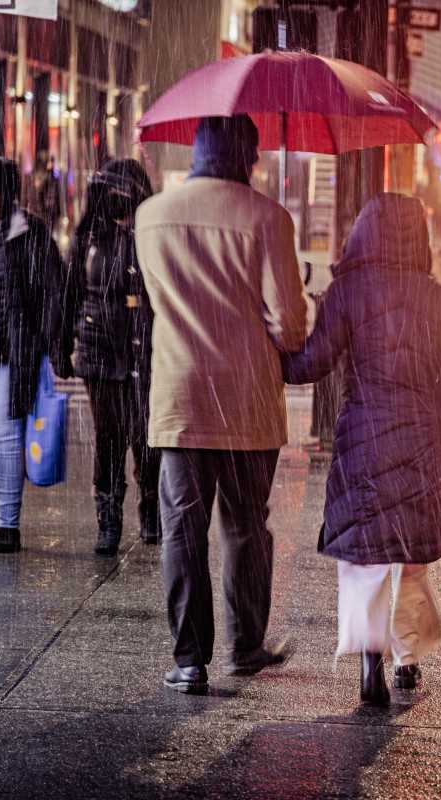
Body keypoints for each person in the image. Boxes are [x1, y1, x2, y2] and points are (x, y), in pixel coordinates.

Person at [135, 115, 308, 695]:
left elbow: (158, 300)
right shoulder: (268, 218)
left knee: (183, 529)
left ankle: (189, 660)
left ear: (197, 151)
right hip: (247, 401)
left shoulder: (152, 216)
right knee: (246, 525)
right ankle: (246, 645)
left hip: (181, 396)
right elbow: (288, 323)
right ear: (247, 156)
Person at [282, 193, 441, 706]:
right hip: (419, 438)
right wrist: (434, 412)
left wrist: (270, 353)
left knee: (364, 555)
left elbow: (312, 363)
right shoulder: (439, 299)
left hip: (361, 437)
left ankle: (370, 660)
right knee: (409, 553)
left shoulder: (347, 292)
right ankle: (407, 658)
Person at [58, 159, 158, 557]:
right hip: (99, 349)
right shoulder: (89, 237)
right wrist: (62, 344)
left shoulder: (151, 234)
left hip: (144, 349)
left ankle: (151, 507)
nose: (118, 200)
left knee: (146, 436)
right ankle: (109, 517)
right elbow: (69, 293)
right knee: (108, 437)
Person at [0, 158, 63, 554]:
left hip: (5, 354)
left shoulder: (29, 234)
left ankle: (7, 525)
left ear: (3, 196)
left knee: (3, 441)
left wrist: (49, 345)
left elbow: (52, 294)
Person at [32, 153, 62, 236]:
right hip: (47, 208)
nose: (52, 164)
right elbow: (40, 193)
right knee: (47, 229)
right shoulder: (45, 177)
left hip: (52, 208)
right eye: (50, 162)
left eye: (52, 162)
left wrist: (58, 209)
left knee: (50, 229)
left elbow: (57, 195)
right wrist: (42, 208)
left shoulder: (54, 178)